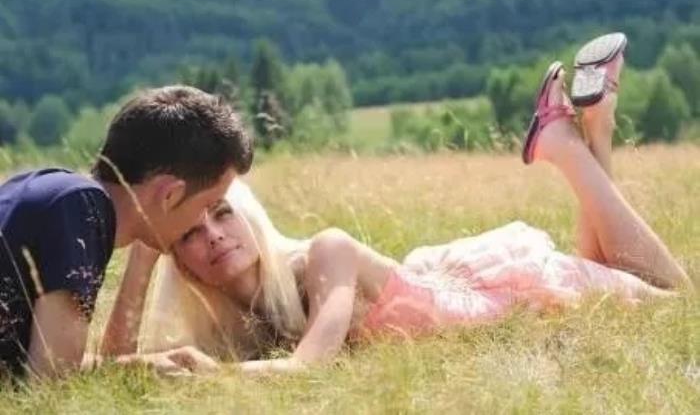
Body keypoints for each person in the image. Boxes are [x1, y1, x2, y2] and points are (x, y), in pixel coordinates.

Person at [107, 34, 693, 375]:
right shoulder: (236, 322)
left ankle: (564, 146)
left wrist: (217, 376)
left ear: (252, 219)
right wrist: (147, 243)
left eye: (222, 213)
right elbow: (119, 368)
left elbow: (308, 368)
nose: (211, 235)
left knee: (675, 300)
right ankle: (593, 132)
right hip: (473, 293)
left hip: (504, 297)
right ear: (179, 260)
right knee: (608, 273)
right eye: (189, 234)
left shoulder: (325, 255)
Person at [0, 86, 253, 379]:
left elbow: (50, 362)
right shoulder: (79, 210)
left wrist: (141, 365)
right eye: (207, 204)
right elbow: (49, 381)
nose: (203, 220)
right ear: (170, 195)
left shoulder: (53, 192)